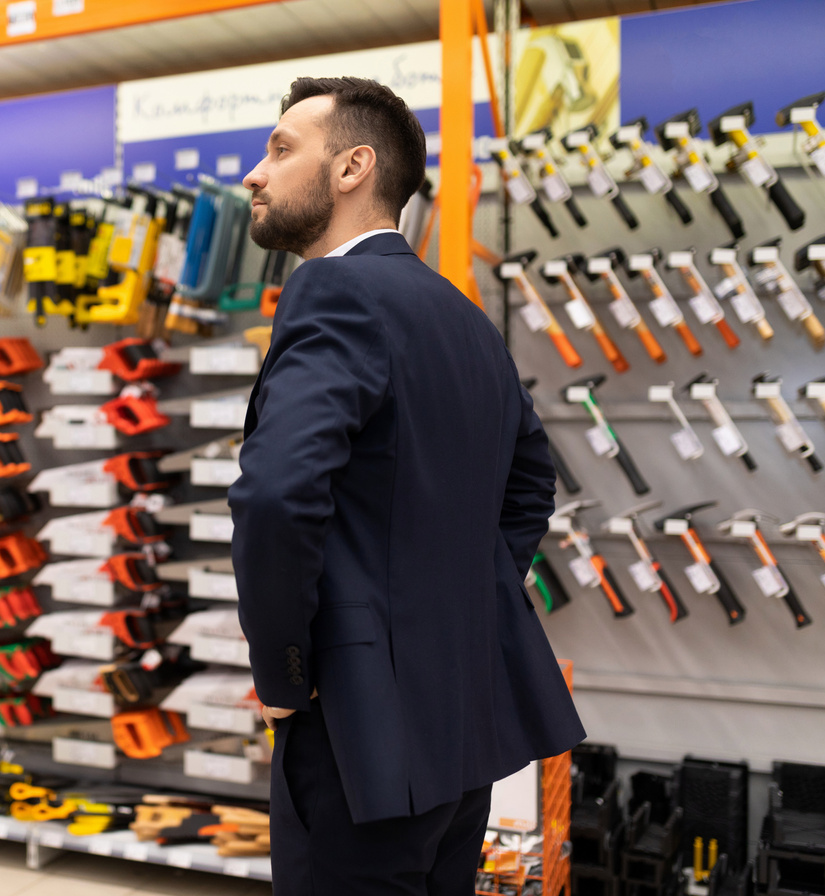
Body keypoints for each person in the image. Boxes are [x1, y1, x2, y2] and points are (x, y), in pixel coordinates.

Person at [228, 76, 586, 896]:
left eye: (281, 149)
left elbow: (277, 495)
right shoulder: (463, 316)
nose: (255, 173)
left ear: (352, 167)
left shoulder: (331, 292)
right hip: (460, 725)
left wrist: (284, 672)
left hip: (357, 732)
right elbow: (531, 483)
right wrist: (443, 610)